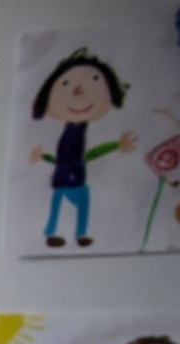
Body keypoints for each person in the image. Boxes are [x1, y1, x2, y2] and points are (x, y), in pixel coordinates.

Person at [27, 48, 133, 250]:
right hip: (64, 178)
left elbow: (88, 154)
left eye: (94, 81)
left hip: (75, 177)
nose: (78, 92)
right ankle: (55, 233)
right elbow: (67, 157)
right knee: (60, 206)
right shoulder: (72, 131)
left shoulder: (79, 129)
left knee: (78, 205)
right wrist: (43, 157)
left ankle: (76, 234)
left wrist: (116, 145)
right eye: (66, 83)